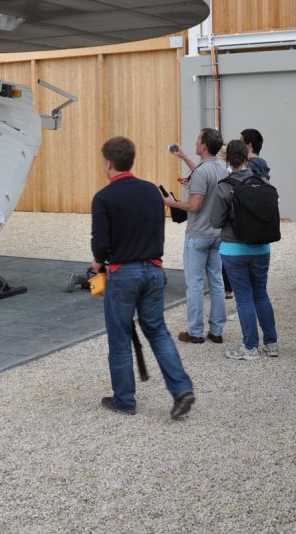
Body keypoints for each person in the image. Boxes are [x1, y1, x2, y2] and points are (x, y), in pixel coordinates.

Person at [91, 136, 195, 419]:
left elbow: (100, 243)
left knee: (120, 337)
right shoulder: (151, 191)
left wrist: (98, 262)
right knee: (158, 331)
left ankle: (124, 400)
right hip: (154, 270)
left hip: (123, 273)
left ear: (108, 163)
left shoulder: (104, 198)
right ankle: (181, 389)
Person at [210, 140, 279, 360]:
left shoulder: (224, 186)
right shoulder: (262, 181)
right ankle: (271, 343)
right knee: (261, 294)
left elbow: (215, 221)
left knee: (244, 298)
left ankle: (250, 347)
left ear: (228, 159)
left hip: (234, 249)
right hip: (261, 248)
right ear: (247, 157)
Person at [166, 128, 227, 344]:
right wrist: (184, 157)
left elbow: (193, 206)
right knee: (217, 282)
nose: (195, 143)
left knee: (195, 284)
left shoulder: (201, 173)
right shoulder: (222, 168)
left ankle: (195, 331)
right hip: (217, 234)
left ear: (204, 146)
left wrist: (172, 203)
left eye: (198, 140)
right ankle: (217, 331)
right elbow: (203, 173)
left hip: (198, 235)